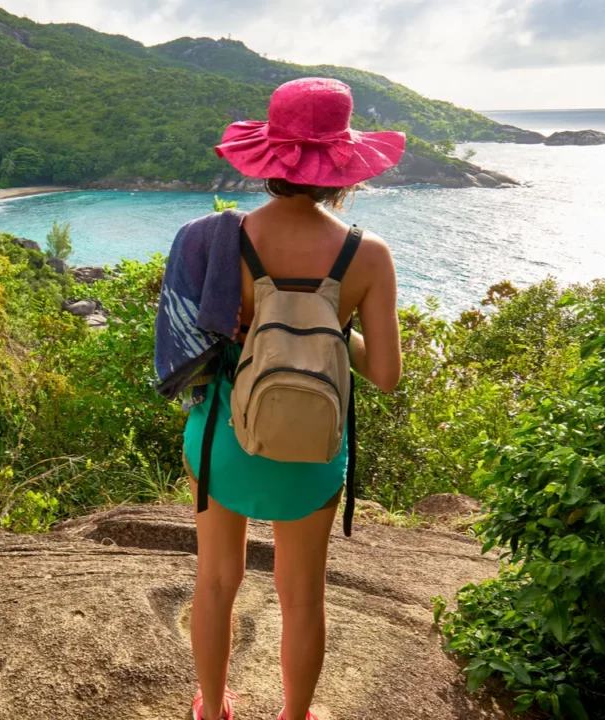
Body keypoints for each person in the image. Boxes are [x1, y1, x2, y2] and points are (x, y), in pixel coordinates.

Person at [172, 78, 406, 720]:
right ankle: (296, 715)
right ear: (343, 167)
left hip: (224, 436)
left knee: (216, 581)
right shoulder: (368, 255)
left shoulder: (223, 241)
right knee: (303, 596)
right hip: (313, 446)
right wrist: (329, 320)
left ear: (269, 157)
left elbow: (193, 338)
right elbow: (385, 374)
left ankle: (211, 708)